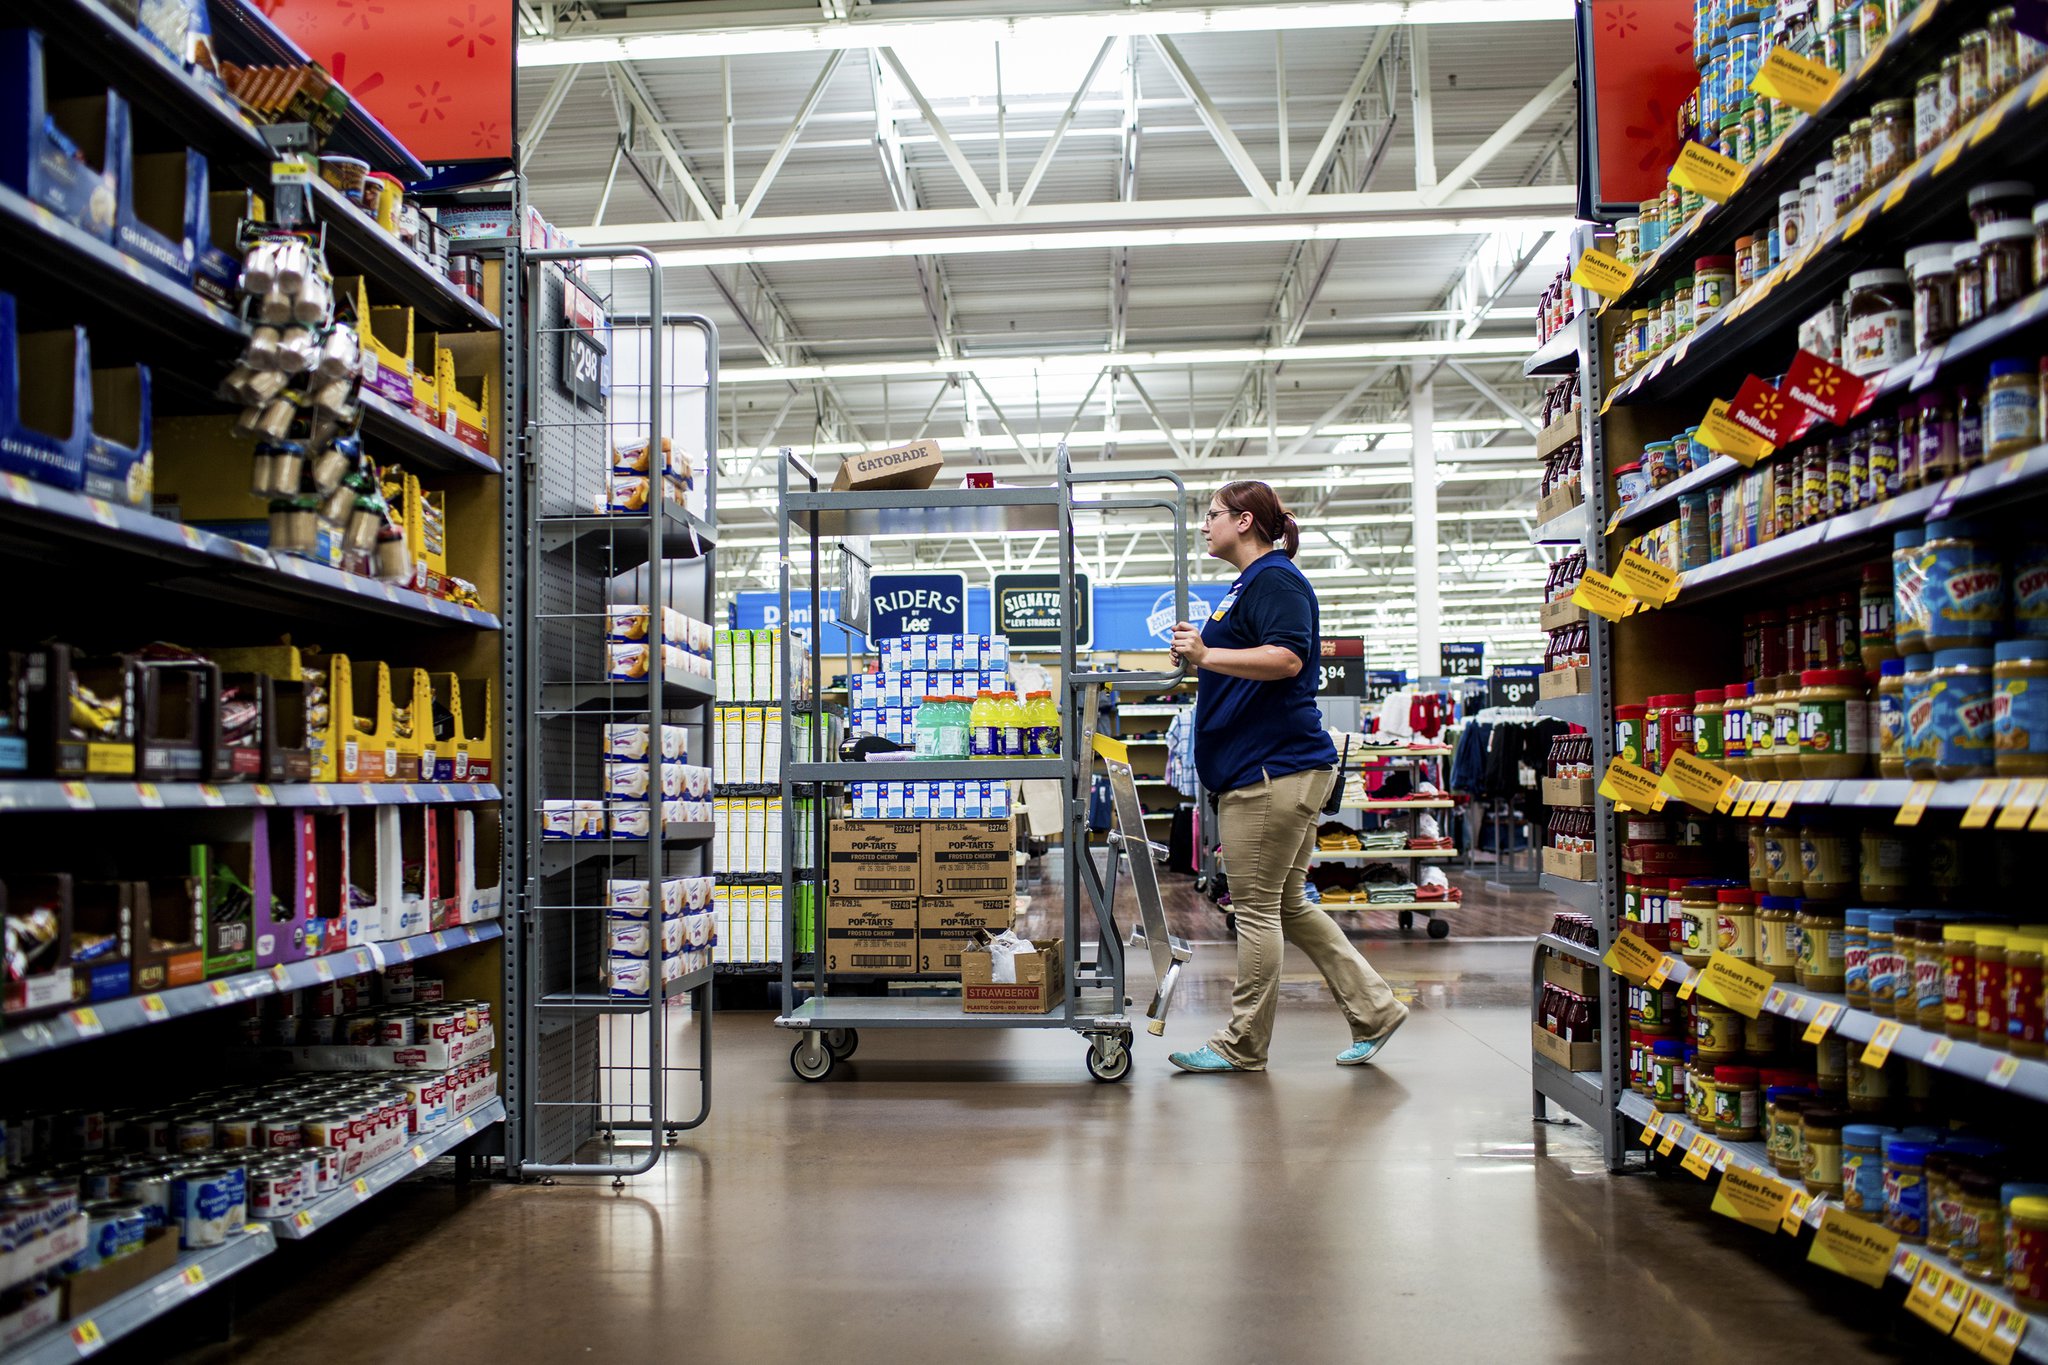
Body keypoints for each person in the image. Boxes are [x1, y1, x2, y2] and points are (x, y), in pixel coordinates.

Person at [1164, 481, 1409, 1073]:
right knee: (1287, 907)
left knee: (1251, 907)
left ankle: (1242, 1043)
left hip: (1271, 771)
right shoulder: (1248, 584)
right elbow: (1246, 663)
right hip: (1271, 767)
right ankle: (1375, 1009)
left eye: (1215, 515)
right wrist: (1201, 659)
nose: (1205, 525)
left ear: (1245, 521)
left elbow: (1289, 657)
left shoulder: (1275, 579)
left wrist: (1206, 657)